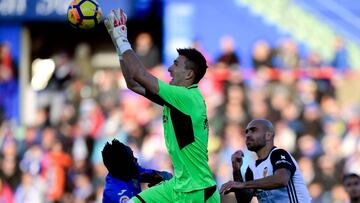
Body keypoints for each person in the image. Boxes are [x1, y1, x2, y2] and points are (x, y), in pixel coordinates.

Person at [104, 8, 220, 203]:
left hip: (197, 191)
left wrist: (121, 36)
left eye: (175, 64)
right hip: (179, 185)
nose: (169, 68)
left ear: (189, 75)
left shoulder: (186, 97)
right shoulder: (176, 99)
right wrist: (118, 44)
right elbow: (132, 84)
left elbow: (140, 75)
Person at [220, 119, 311, 203]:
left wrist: (243, 184)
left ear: (268, 135)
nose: (247, 135)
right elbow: (243, 200)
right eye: (246, 132)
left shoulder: (279, 154)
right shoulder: (251, 169)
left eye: (253, 130)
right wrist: (236, 170)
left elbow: (282, 180)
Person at [102, 139, 172, 203]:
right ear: (123, 166)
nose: (136, 159)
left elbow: (168, 176)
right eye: (131, 159)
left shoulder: (132, 171)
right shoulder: (117, 195)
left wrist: (160, 179)